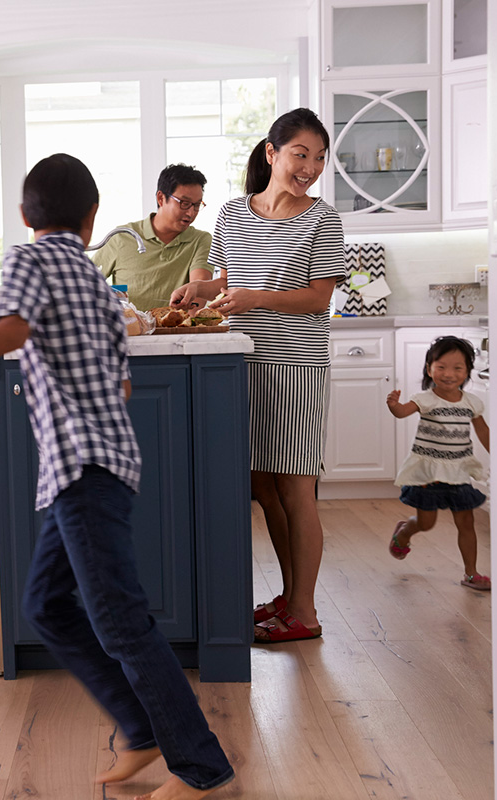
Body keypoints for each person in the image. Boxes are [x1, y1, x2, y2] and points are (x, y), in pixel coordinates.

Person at [0, 153, 233, 800]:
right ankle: (141, 731)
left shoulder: (29, 260)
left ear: (23, 215)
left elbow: (13, 327)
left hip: (82, 467)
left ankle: (201, 770)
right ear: (92, 219)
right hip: (105, 464)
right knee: (47, 606)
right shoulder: (97, 283)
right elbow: (119, 384)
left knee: (121, 621)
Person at [169, 108, 345, 644]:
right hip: (241, 364)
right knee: (264, 487)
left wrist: (253, 298)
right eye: (300, 154)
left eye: (318, 158)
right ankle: (291, 598)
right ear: (271, 153)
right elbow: (228, 281)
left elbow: (319, 298)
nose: (310, 167)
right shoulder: (231, 214)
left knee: (296, 488)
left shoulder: (322, 217)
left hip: (295, 367)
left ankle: (306, 613)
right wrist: (200, 292)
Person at [386, 336, 492, 590]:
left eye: (458, 368)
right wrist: (393, 405)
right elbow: (402, 412)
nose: (449, 374)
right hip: (428, 474)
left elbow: (483, 432)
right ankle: (404, 532)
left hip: (458, 472)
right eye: (441, 366)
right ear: (429, 368)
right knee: (426, 523)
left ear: (467, 371)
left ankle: (471, 573)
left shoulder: (471, 403)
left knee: (466, 523)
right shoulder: (425, 399)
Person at [92, 163, 213, 311]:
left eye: (196, 205)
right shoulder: (122, 237)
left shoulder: (200, 240)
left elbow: (199, 293)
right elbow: (87, 285)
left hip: (178, 332)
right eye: (185, 203)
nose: (191, 213)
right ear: (161, 198)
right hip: (132, 332)